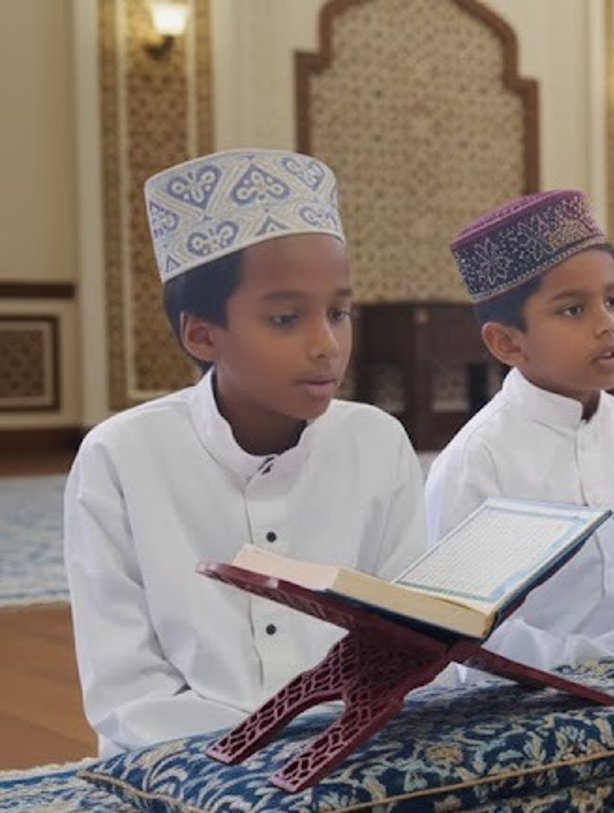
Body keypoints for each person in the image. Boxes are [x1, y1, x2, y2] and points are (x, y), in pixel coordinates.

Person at [65, 149, 429, 755]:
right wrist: (256, 756)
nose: (327, 346)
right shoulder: (122, 458)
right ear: (202, 334)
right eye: (286, 319)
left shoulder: (377, 443)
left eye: (339, 313)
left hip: (354, 755)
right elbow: (127, 692)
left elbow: (406, 644)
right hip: (182, 764)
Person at [425, 190, 614, 668]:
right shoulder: (479, 461)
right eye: (574, 310)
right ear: (508, 342)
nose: (608, 326)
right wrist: (597, 663)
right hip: (531, 694)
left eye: (612, 301)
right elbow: (473, 637)